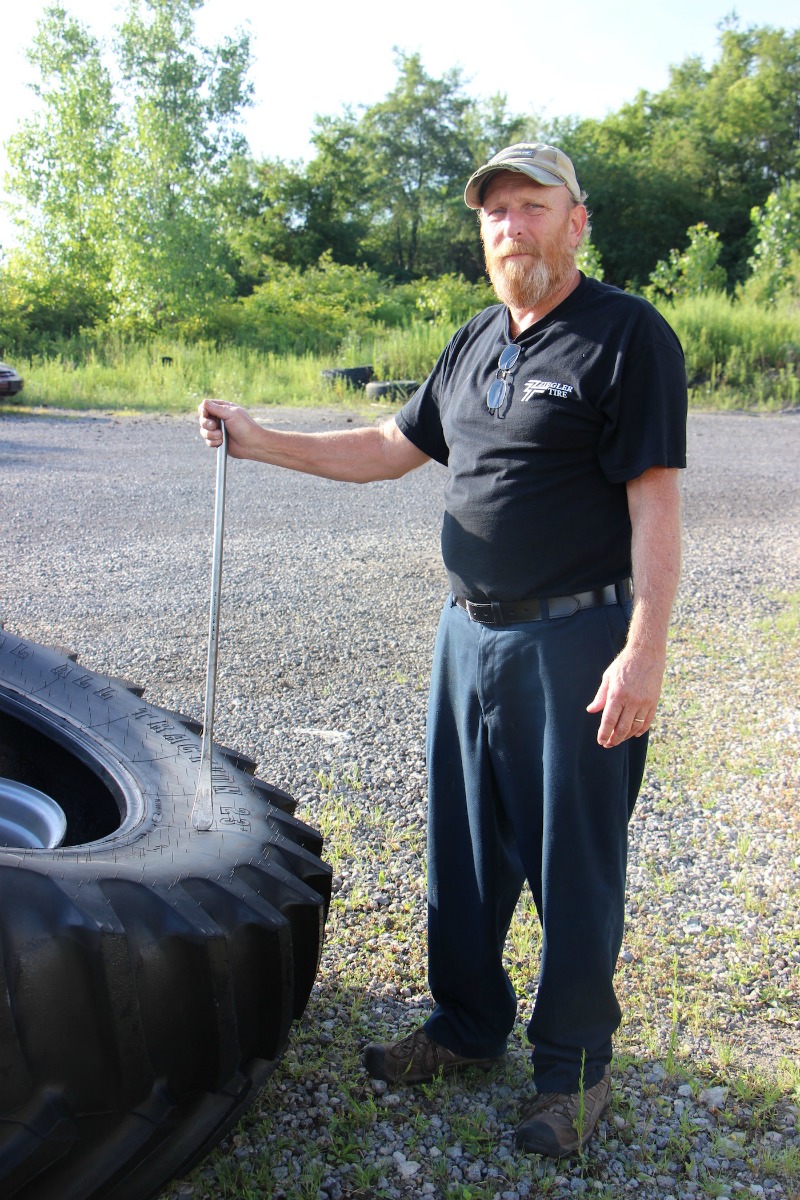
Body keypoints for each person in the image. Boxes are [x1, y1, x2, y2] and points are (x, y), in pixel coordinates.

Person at [198, 142, 687, 1159]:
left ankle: (575, 1074)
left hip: (573, 641)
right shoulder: (474, 340)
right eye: (494, 211)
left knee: (573, 865)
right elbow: (390, 447)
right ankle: (466, 1027)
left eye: (531, 205)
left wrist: (642, 650)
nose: (510, 225)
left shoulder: (625, 335)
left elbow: (654, 503)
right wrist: (259, 438)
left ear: (576, 221)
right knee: (461, 853)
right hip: (466, 636)